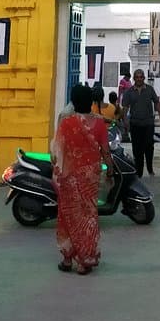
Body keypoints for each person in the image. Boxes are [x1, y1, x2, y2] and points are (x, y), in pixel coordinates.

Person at [51, 83, 112, 275]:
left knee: (68, 215)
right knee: (87, 216)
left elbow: (55, 153)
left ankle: (68, 258)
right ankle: (85, 260)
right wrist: (110, 171)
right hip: (90, 178)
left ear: (74, 101)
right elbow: (106, 151)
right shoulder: (100, 124)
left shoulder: (66, 124)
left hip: (69, 178)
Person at [121, 69, 160, 177]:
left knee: (149, 147)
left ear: (144, 78)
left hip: (148, 124)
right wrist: (125, 122)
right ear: (134, 78)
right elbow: (125, 108)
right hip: (135, 124)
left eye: (141, 77)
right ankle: (139, 171)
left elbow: (157, 103)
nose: (139, 79)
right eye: (137, 77)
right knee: (137, 149)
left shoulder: (150, 90)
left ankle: (150, 168)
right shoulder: (129, 92)